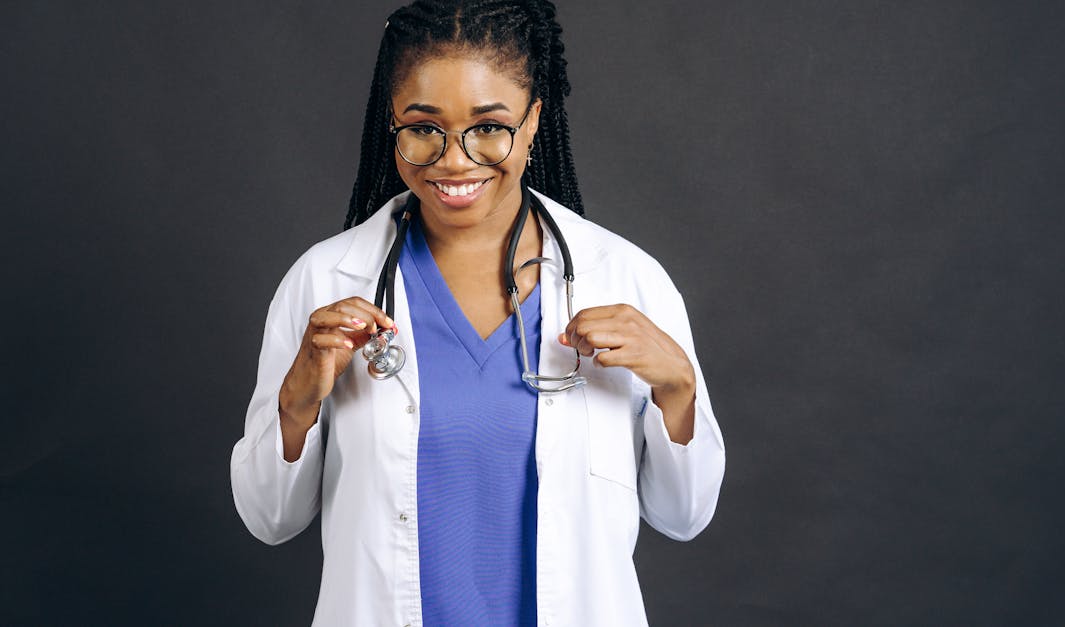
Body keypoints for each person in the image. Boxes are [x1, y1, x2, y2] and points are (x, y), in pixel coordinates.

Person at [230, 1, 725, 625]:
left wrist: (677, 389)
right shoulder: (324, 283)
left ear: (533, 121)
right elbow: (269, 519)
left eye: (488, 127)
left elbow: (683, 516)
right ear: (394, 124)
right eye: (423, 127)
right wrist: (295, 402)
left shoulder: (625, 280)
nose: (454, 159)